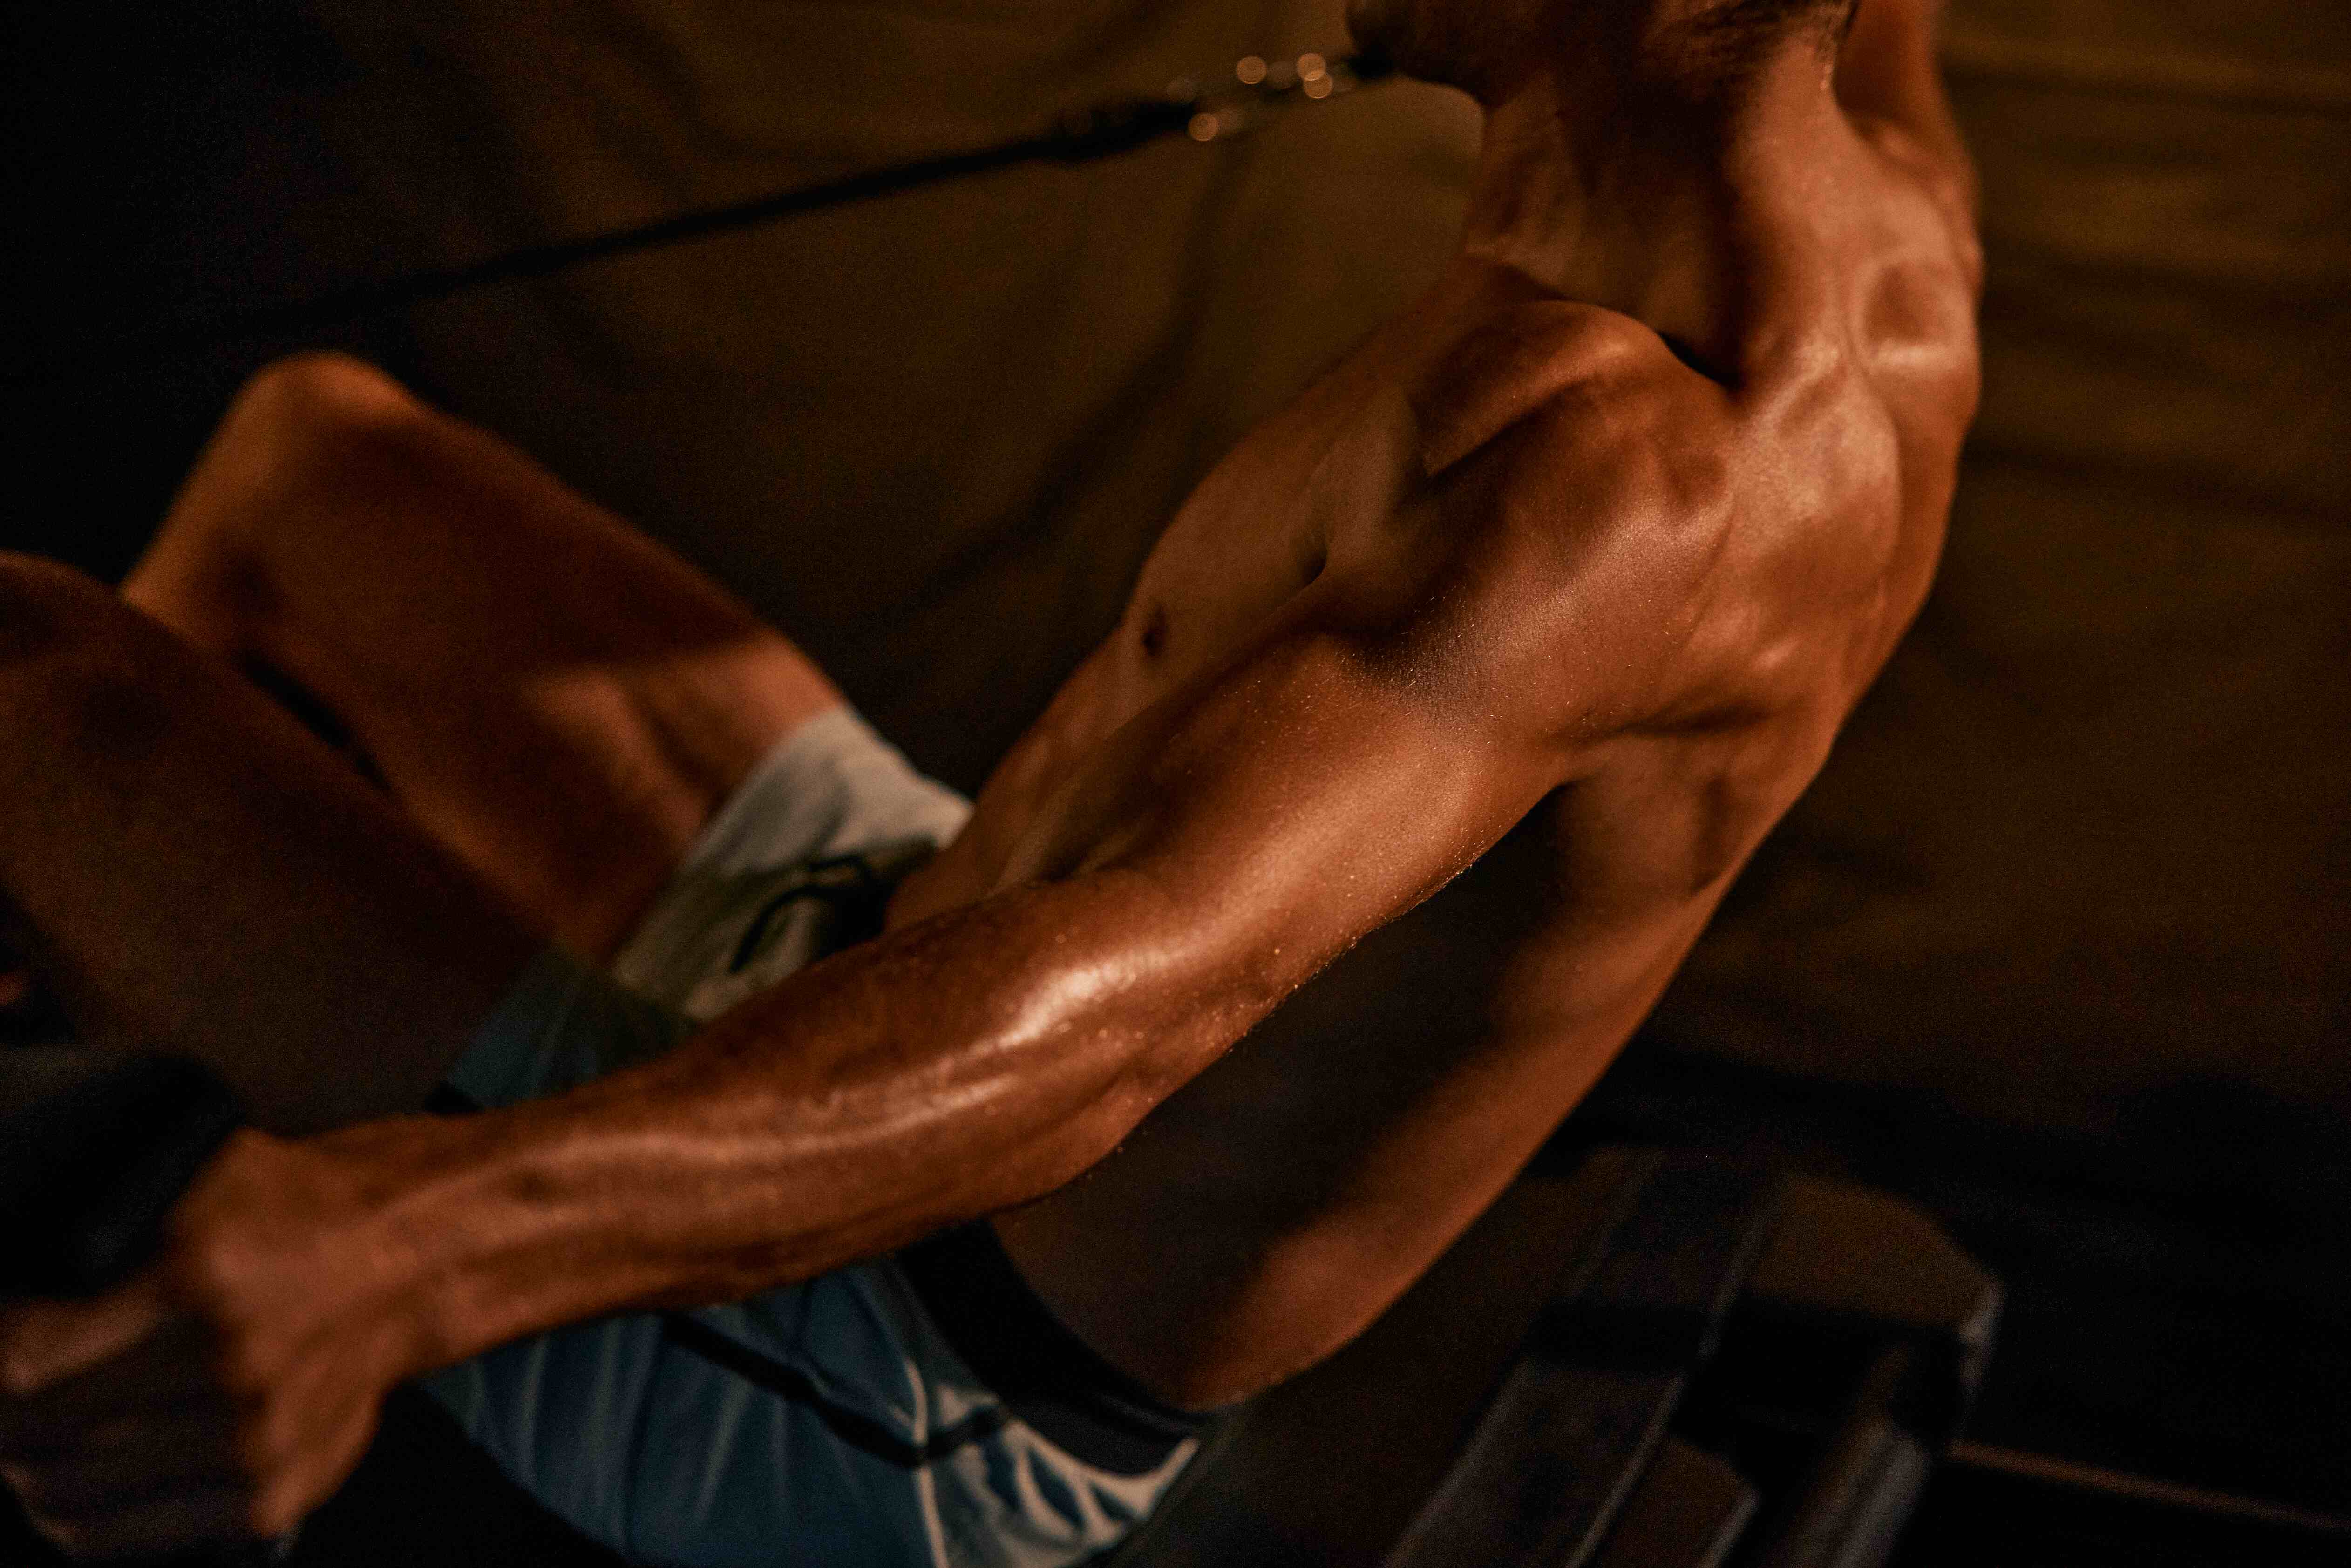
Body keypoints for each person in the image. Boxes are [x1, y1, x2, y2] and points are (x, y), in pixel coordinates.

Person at [0, 0, 1978, 1560]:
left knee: (31, 681)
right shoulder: (1886, 232)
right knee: (315, 464)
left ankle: (165, 1249)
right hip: (890, 913)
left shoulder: (1625, 495)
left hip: (896, 1354)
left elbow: (1115, 1015)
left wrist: (376, 1251)